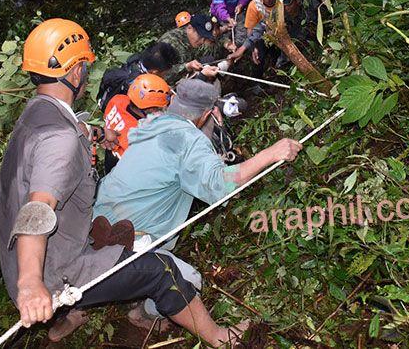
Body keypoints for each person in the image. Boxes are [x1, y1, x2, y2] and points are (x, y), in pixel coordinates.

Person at [0, 19, 248, 346]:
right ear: (75, 74)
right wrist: (31, 283)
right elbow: (39, 207)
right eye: (84, 66)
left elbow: (72, 132)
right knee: (162, 270)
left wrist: (101, 134)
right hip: (50, 269)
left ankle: (65, 317)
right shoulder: (61, 143)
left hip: (15, 260)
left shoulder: (35, 114)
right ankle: (220, 339)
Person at [94, 77, 302, 252]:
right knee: (185, 283)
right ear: (205, 114)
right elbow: (220, 184)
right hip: (125, 236)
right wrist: (271, 153)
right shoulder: (188, 140)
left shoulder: (151, 124)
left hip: (97, 215)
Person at [102, 73, 171, 174]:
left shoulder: (117, 99)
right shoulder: (139, 136)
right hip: (123, 175)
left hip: (110, 162)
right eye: (159, 108)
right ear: (151, 109)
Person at [226, 0, 281, 77]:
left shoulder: (281, 3)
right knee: (258, 56)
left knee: (276, 54)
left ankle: (277, 71)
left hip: (280, 34)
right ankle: (258, 82)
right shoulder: (255, 6)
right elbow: (251, 30)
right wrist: (253, 48)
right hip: (262, 36)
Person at [96, 42, 179, 111]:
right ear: (154, 72)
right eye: (165, 73)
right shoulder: (139, 86)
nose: (164, 76)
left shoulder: (137, 60)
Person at [157, 14, 236, 83]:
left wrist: (227, 43)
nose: (202, 41)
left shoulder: (195, 40)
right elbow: (161, 75)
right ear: (190, 28)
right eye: (201, 36)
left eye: (205, 38)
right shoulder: (169, 44)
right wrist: (187, 66)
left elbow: (213, 42)